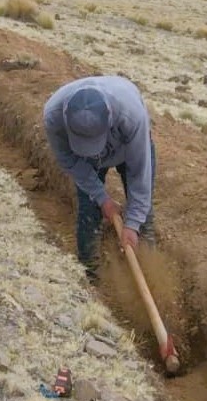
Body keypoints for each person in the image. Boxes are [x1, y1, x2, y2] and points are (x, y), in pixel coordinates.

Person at [43, 76, 156, 283]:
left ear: (110, 118)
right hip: (86, 163)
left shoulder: (131, 115)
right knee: (89, 210)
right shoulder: (53, 117)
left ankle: (149, 276)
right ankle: (92, 277)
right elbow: (71, 162)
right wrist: (102, 198)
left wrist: (132, 224)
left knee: (142, 216)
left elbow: (140, 174)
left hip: (127, 147)